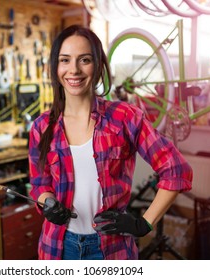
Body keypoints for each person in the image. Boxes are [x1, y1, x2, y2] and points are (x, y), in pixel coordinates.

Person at [28, 24, 193, 260]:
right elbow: (39, 184)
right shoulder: (41, 127)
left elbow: (176, 169)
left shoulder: (125, 117)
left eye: (84, 60)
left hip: (111, 250)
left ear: (98, 66)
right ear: (55, 67)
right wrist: (48, 202)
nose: (73, 70)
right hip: (57, 248)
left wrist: (144, 223)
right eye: (65, 60)